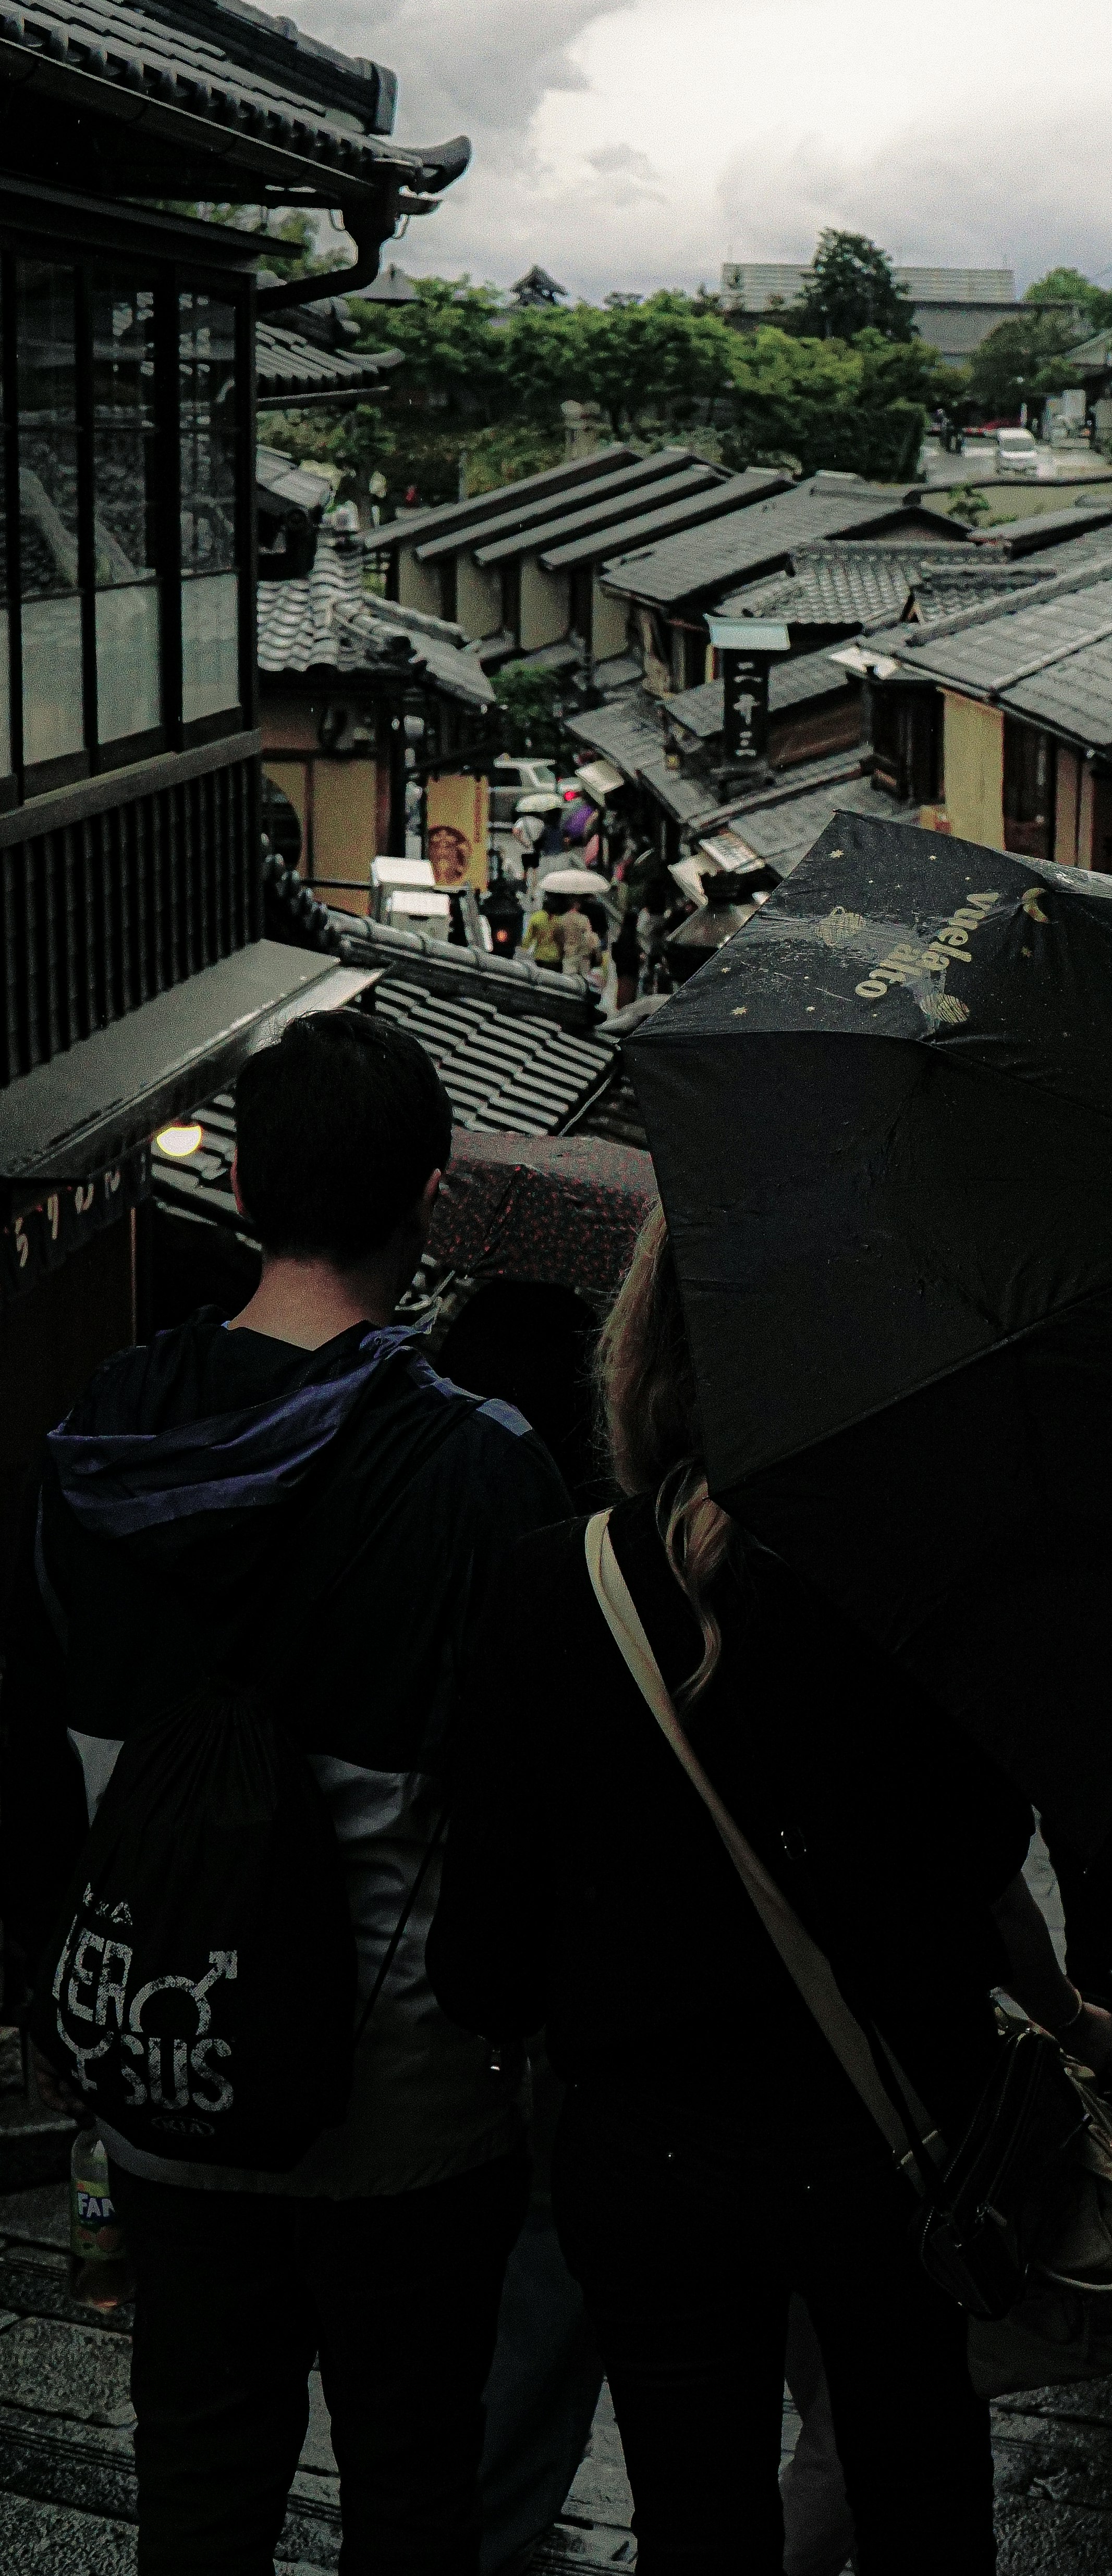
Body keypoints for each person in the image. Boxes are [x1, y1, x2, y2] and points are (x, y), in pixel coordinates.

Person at [426, 1210, 1112, 2575]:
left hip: (652, 2159)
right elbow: (983, 1855)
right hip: (902, 2146)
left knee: (695, 2522)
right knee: (922, 2498)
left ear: (643, 1358)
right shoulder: (918, 1582)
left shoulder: (539, 1595)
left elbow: (486, 1967)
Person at [0, 1010, 574, 2575]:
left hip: (166, 2061)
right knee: (411, 2488)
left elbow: (29, 1766)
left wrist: (47, 1998)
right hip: (407, 2104)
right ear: (431, 1200)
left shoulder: (96, 1436)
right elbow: (524, 1811)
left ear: (239, 1186)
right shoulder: (481, 1476)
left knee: (199, 2473)